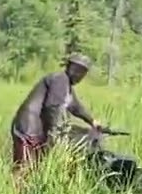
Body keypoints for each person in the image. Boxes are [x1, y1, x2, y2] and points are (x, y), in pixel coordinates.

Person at [9, 53, 104, 184]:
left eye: (83, 72)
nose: (79, 75)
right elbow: (53, 108)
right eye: (78, 70)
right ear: (71, 68)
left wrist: (92, 121)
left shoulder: (66, 86)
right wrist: (57, 135)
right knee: (24, 167)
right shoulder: (59, 80)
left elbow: (75, 107)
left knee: (34, 168)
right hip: (29, 128)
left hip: (36, 129)